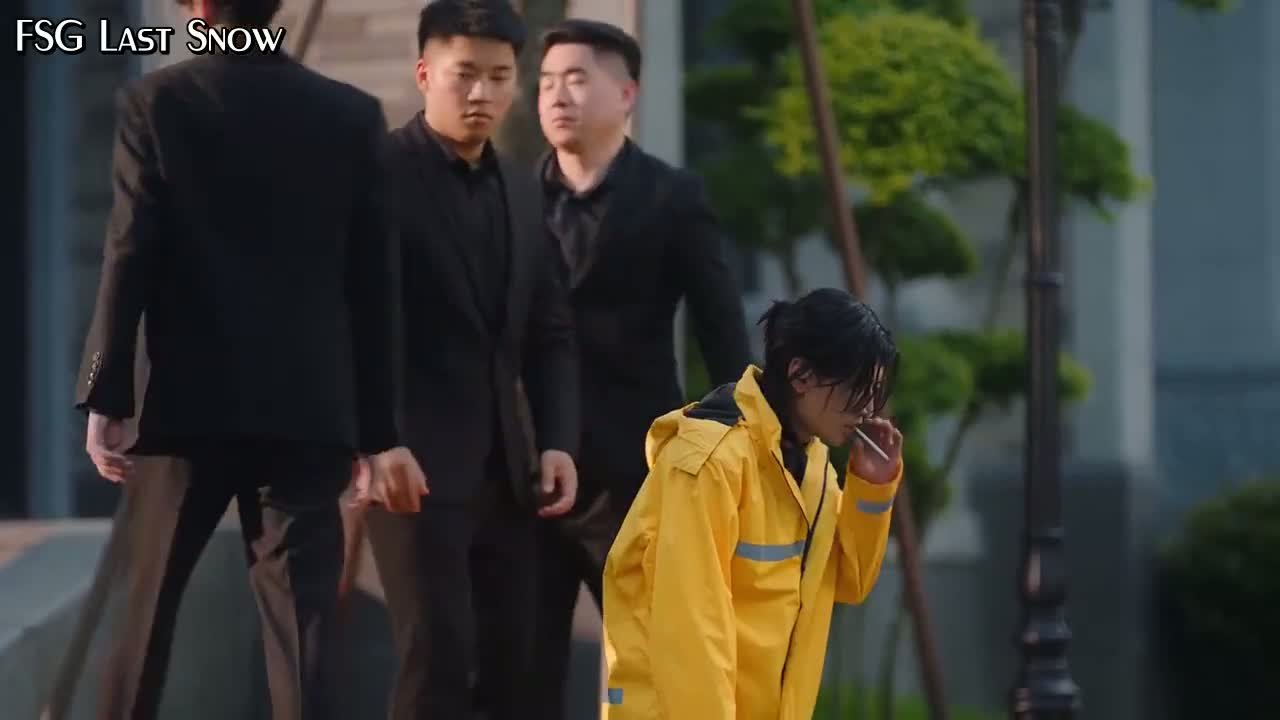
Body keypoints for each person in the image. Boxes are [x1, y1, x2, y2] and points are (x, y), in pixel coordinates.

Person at [73, 0, 427, 718]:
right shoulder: (352, 115)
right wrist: (376, 431)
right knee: (301, 632)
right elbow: (375, 284)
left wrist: (105, 391)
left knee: (146, 619)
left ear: (200, 9)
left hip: (181, 408)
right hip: (307, 413)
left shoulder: (157, 102)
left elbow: (128, 250)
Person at [362, 2, 580, 719]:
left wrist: (557, 440)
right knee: (437, 663)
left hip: (509, 474)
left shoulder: (521, 186)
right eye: (465, 75)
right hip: (413, 470)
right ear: (425, 73)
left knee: (515, 671)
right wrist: (377, 439)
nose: (482, 93)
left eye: (499, 76)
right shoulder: (377, 175)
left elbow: (549, 329)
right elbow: (350, 321)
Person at [532, 19, 752, 718]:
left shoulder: (671, 196)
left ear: (626, 94)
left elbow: (721, 328)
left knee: (651, 664)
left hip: (634, 473)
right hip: (523, 472)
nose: (556, 96)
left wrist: (741, 445)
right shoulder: (511, 196)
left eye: (576, 79)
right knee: (516, 670)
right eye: (546, 82)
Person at [600, 288, 903, 720]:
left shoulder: (812, 464)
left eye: (874, 392)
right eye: (857, 388)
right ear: (800, 374)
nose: (868, 409)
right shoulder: (710, 461)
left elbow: (849, 581)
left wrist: (872, 488)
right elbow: (692, 627)